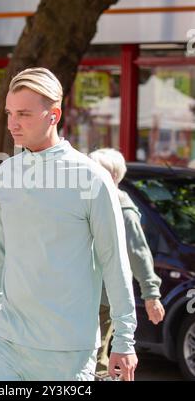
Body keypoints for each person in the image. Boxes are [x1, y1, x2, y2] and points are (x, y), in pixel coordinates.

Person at [0, 68, 138, 381]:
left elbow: (115, 263)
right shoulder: (5, 175)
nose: (12, 124)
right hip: (6, 344)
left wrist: (124, 339)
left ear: (53, 115)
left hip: (67, 352)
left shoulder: (91, 179)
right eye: (10, 113)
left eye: (24, 114)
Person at [89, 148, 165, 375]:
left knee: (95, 354)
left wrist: (151, 294)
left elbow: (138, 253)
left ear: (111, 177)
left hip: (102, 298)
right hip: (80, 294)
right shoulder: (92, 202)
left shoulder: (123, 210)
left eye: (94, 172)